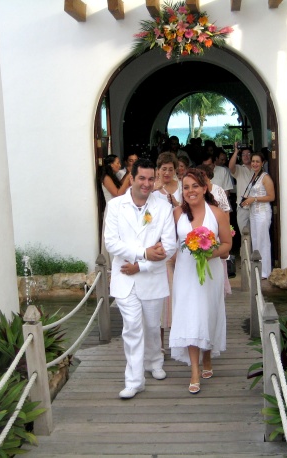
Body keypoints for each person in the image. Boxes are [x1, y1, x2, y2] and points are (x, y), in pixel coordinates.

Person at [104, 158, 177, 399]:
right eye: (141, 178)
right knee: (132, 328)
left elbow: (169, 246)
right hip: (124, 278)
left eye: (150, 179)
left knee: (152, 325)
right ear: (131, 178)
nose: (146, 184)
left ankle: (154, 361)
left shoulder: (163, 207)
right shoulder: (115, 206)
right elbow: (111, 243)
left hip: (151, 277)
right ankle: (134, 380)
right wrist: (143, 253)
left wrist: (142, 266)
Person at [169, 168, 232, 394]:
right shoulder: (176, 214)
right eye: (186, 187)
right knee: (189, 316)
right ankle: (194, 370)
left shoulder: (216, 213)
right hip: (185, 274)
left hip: (210, 274)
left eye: (195, 186)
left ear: (205, 188)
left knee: (207, 314)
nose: (190, 191)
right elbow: (171, 245)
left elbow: (226, 245)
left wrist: (209, 253)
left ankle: (207, 356)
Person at [152, 152, 182, 350]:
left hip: (179, 241)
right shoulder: (152, 190)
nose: (167, 172)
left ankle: (180, 342)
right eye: (164, 169)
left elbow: (188, 211)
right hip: (160, 244)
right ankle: (160, 345)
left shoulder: (181, 187)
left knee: (180, 292)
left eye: (171, 169)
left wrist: (176, 204)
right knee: (163, 296)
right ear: (158, 170)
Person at [196, 164, 233, 295]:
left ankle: (219, 287)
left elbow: (226, 211)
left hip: (217, 230)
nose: (201, 178)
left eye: (203, 175)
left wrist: (226, 230)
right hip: (201, 232)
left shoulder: (218, 190)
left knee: (218, 259)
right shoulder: (197, 191)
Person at [239, 151, 275, 279]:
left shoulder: (265, 177)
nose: (254, 164)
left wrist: (253, 199)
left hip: (262, 213)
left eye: (257, 161)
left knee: (263, 241)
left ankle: (265, 271)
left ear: (263, 163)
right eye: (253, 161)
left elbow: (271, 196)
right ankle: (257, 269)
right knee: (255, 240)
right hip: (253, 213)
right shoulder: (255, 176)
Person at [228, 142, 254, 235]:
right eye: (243, 155)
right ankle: (245, 250)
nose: (246, 156)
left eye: (248, 154)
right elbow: (231, 167)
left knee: (256, 235)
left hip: (256, 206)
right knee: (244, 235)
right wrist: (236, 152)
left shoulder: (257, 169)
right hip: (243, 207)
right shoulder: (239, 169)